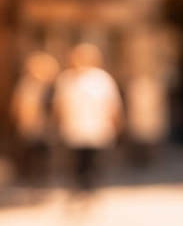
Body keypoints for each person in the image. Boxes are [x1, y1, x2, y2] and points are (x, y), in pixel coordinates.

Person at [53, 43, 122, 192]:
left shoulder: (102, 79)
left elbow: (112, 104)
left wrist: (116, 125)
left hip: (97, 128)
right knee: (77, 163)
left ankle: (92, 188)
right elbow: (59, 105)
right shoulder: (66, 79)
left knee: (95, 162)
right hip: (74, 128)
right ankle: (80, 187)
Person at [9, 50, 59, 184]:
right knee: (28, 153)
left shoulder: (51, 87)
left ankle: (42, 179)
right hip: (28, 125)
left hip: (45, 126)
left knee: (43, 155)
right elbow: (17, 105)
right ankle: (28, 178)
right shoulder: (25, 85)